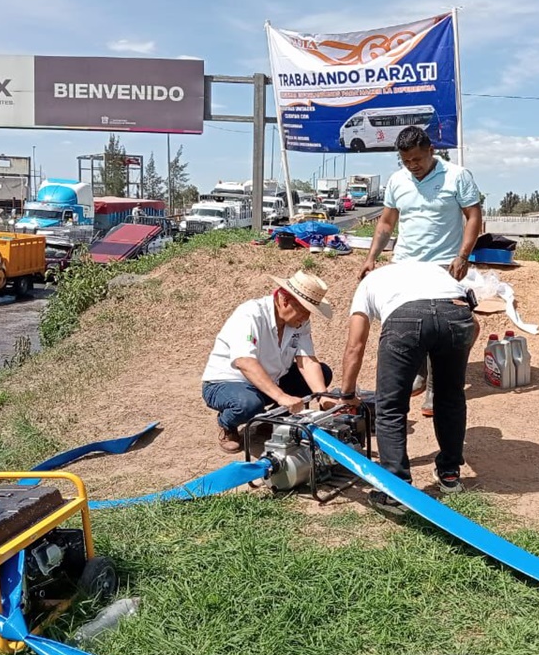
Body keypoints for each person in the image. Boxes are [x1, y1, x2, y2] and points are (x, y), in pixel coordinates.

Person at [359, 125, 484, 416]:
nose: (413, 166)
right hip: (405, 265)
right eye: (407, 161)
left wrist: (463, 255)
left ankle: (436, 385)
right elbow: (386, 224)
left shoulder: (457, 176)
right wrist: (371, 257)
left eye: (418, 159)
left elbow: (474, 216)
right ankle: (420, 373)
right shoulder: (398, 181)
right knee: (409, 323)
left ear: (431, 151)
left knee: (451, 327)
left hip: (443, 266)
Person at [337, 261, 478, 515]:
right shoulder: (432, 271)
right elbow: (473, 323)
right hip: (457, 315)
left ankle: (396, 490)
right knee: (451, 398)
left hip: (405, 319)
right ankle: (449, 475)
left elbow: (354, 346)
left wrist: (347, 394)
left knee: (390, 406)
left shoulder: (367, 284)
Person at [201, 270, 335, 452]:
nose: (306, 318)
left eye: (309, 313)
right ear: (284, 300)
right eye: (303, 311)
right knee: (247, 405)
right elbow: (244, 361)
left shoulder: (299, 322)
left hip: (269, 381)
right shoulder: (250, 314)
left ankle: (271, 421)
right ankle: (226, 424)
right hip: (227, 383)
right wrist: (282, 397)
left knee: (323, 373)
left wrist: (323, 395)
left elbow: (308, 361)